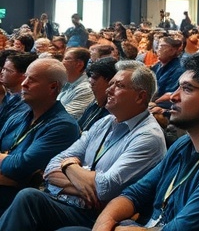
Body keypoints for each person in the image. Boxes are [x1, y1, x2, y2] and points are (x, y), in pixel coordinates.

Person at [85, 55, 199, 231]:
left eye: (187, 89)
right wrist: (105, 221)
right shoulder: (184, 143)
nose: (174, 96)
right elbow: (135, 193)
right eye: (178, 87)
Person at [0, 61, 166, 230]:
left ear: (140, 97)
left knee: (29, 198)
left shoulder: (148, 136)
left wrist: (69, 165)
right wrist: (82, 182)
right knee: (29, 198)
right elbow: (51, 168)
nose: (109, 90)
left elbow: (104, 188)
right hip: (67, 202)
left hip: (98, 216)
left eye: (119, 86)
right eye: (111, 84)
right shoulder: (105, 122)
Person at [0, 58, 81, 212]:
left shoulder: (64, 126)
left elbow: (20, 168)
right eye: (25, 77)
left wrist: (10, 164)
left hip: (21, 204)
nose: (24, 84)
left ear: (53, 87)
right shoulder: (20, 115)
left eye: (32, 80)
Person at [77, 57, 117, 131]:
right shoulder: (94, 103)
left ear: (110, 81)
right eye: (90, 77)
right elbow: (78, 127)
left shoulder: (113, 112)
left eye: (95, 77)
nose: (90, 81)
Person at [59, 47, 93, 119]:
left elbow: (66, 118)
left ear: (79, 64)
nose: (61, 63)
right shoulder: (64, 82)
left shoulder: (85, 90)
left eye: (66, 59)